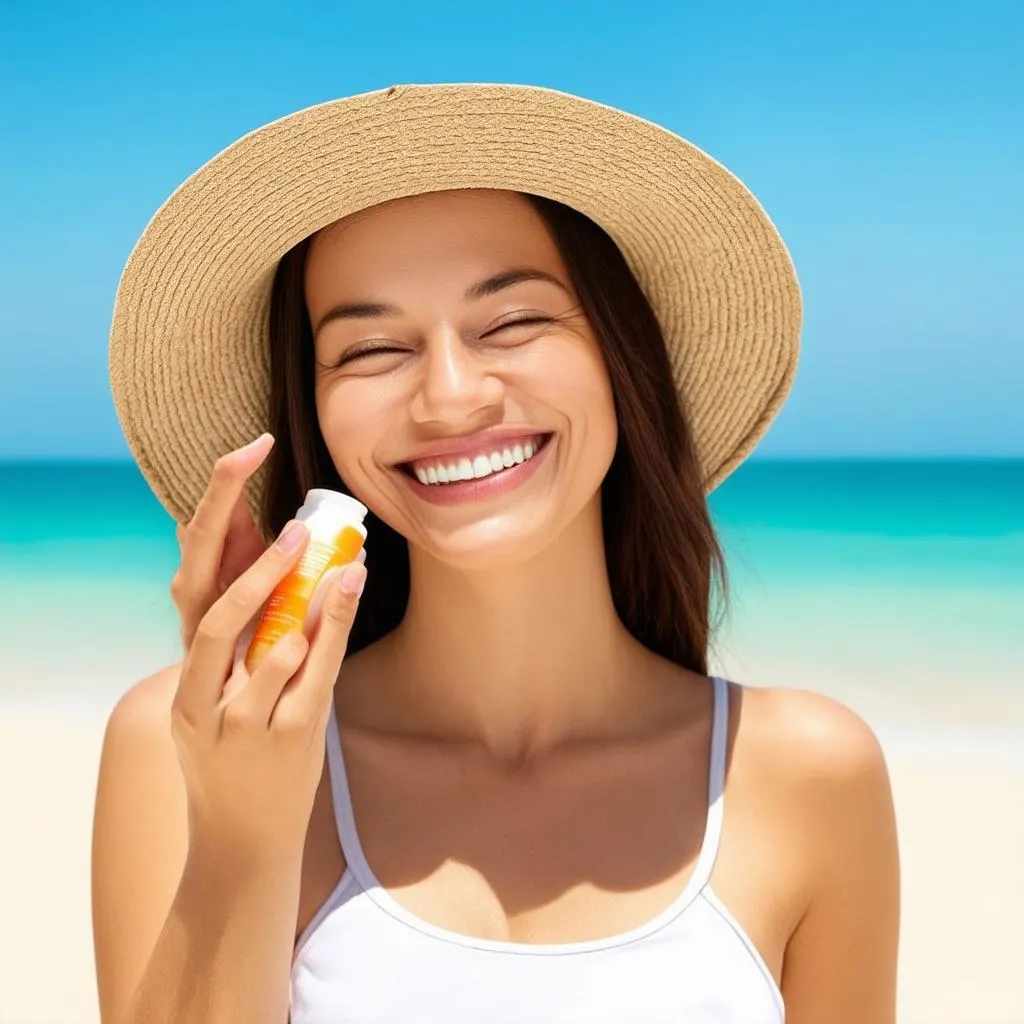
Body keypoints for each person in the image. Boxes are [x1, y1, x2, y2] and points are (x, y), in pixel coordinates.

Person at [92, 84, 899, 1023]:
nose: (448, 396)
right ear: (314, 410)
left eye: (513, 324)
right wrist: (245, 832)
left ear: (620, 360)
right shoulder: (181, 746)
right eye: (369, 349)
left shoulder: (809, 775)